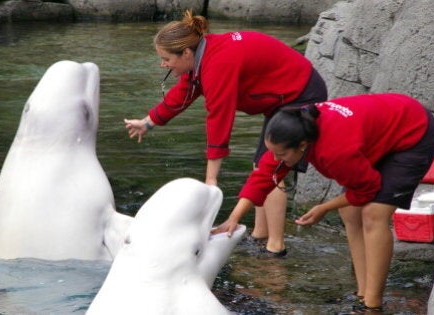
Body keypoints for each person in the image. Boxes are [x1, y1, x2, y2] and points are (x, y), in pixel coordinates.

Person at [124, 10, 327, 257]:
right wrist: (148, 122)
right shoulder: (202, 55)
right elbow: (184, 94)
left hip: (301, 93)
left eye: (166, 59)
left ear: (186, 53)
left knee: (272, 170)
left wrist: (211, 179)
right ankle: (259, 235)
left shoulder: (218, 63)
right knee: (260, 166)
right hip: (281, 99)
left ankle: (275, 249)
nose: (163, 64)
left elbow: (219, 117)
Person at [212, 93, 434, 312]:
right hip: (380, 130)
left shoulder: (334, 151)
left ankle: (371, 305)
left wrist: (323, 207)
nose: (277, 159)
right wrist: (234, 218)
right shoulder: (296, 130)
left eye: (281, 155)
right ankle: (362, 291)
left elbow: (367, 189)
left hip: (412, 132)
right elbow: (264, 175)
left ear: (302, 145)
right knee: (350, 213)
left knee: (374, 214)